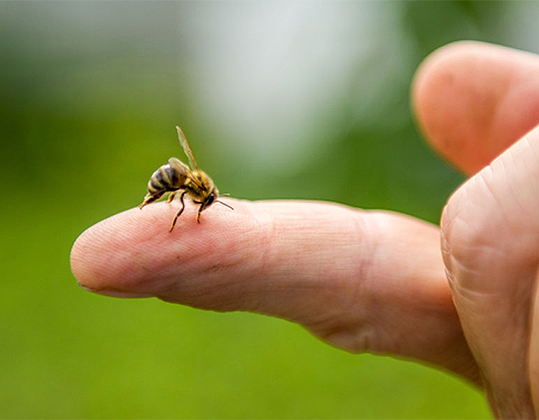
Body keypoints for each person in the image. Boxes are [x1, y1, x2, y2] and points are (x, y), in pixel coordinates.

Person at [70, 41, 539, 418]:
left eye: (206, 203)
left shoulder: (200, 191)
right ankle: (149, 203)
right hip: (171, 187)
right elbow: (180, 184)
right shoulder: (189, 186)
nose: (205, 207)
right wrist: (181, 212)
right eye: (206, 203)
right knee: (156, 201)